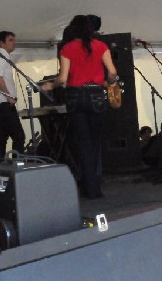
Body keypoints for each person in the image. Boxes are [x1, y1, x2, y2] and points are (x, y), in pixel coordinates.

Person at [42, 15, 117, 199]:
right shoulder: (101, 46)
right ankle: (95, 187)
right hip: (96, 95)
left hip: (75, 96)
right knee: (94, 141)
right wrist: (109, 81)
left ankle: (88, 188)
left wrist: (51, 86)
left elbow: (63, 78)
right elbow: (113, 73)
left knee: (82, 143)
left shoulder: (67, 48)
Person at [0, 31, 25, 162]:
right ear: (1, 43)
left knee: (2, 138)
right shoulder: (1, 54)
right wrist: (8, 95)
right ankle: (17, 164)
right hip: (4, 103)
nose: (13, 42)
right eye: (10, 40)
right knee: (19, 136)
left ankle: (1, 163)